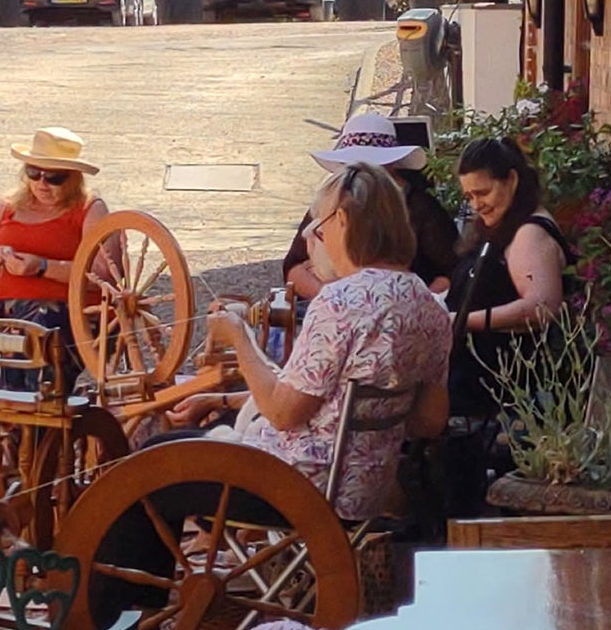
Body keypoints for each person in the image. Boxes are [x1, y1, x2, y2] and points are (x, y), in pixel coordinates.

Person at [168, 162, 452, 522]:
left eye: (318, 227)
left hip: (297, 486)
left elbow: (283, 413)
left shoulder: (338, 302)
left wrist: (239, 337)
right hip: (367, 491)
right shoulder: (429, 307)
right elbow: (430, 420)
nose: (312, 239)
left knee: (151, 464)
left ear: (343, 222)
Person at [442, 136, 574, 516]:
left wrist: (463, 322)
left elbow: (541, 306)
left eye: (482, 192)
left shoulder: (529, 234)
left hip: (500, 390)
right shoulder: (502, 228)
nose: (476, 203)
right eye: (468, 197)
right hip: (486, 381)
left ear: (512, 180)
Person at [0, 127, 111, 390]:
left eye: (54, 177)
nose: (42, 183)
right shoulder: (8, 205)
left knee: (35, 331)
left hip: (57, 307)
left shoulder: (89, 210)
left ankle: (16, 417)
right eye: (33, 173)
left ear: (74, 179)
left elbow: (102, 275)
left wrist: (41, 267)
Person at [282, 113, 457, 298]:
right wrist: (331, 298)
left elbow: (453, 271)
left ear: (391, 166)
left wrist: (417, 300)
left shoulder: (422, 208)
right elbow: (293, 267)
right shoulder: (333, 200)